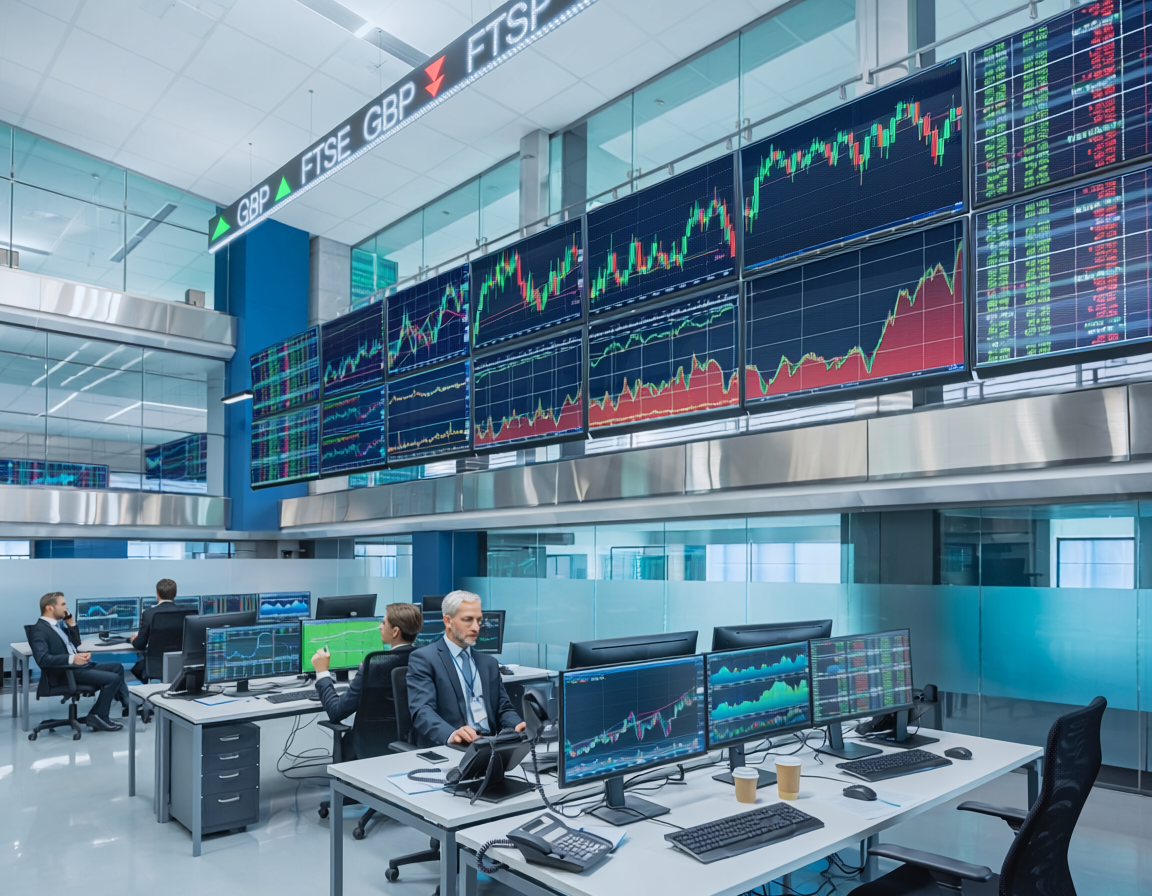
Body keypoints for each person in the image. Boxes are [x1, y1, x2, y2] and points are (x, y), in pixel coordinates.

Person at [406, 590, 524, 747]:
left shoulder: (488, 663)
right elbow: (423, 712)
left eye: (479, 620)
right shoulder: (424, 659)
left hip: (490, 745)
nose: (476, 627)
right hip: (453, 745)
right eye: (468, 620)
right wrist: (451, 734)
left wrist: (517, 725)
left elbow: (503, 707)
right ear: (447, 621)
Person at [310, 602, 423, 758]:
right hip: (409, 746)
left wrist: (322, 671)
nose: (380, 627)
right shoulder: (425, 662)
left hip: (366, 749)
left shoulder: (374, 667)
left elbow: (336, 712)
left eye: (384, 623)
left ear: (395, 631)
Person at [28, 592, 129, 732]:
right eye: (63, 604)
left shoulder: (57, 626)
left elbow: (75, 644)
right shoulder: (39, 630)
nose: (66, 608)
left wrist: (72, 625)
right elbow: (42, 659)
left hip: (76, 667)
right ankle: (98, 715)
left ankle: (127, 705)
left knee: (116, 667)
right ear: (49, 608)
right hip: (64, 672)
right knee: (113, 679)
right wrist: (72, 659)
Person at [130, 578, 183, 682]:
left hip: (156, 664)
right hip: (180, 663)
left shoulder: (149, 614)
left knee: (135, 669)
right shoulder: (186, 612)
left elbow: (140, 645)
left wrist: (132, 640)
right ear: (175, 593)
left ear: (157, 593)